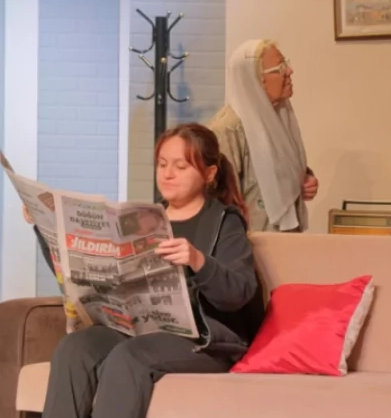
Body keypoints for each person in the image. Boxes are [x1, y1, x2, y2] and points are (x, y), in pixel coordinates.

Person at [40, 123, 265, 418]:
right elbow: (73, 275)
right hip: (138, 329)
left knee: (129, 356)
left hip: (203, 341)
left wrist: (198, 261)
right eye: (162, 164)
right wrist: (46, 228)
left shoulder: (225, 221)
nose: (168, 174)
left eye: (181, 166)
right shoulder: (142, 220)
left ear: (209, 174)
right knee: (75, 348)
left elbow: (238, 293)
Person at [209, 39, 318, 232]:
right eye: (279, 68)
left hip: (287, 238)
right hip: (251, 241)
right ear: (255, 80)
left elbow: (278, 164)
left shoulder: (279, 115)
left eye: (286, 63)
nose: (289, 71)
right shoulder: (228, 129)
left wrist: (305, 177)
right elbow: (222, 197)